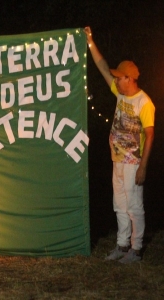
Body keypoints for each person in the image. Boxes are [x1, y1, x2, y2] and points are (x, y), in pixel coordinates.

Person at [84, 27, 155, 263]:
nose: (115, 79)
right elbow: (102, 66)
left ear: (130, 79)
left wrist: (143, 166)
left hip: (133, 162)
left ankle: (136, 249)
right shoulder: (120, 93)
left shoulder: (144, 103)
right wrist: (90, 41)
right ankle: (122, 245)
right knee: (119, 204)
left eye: (119, 77)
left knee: (134, 206)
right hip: (117, 159)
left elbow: (150, 134)